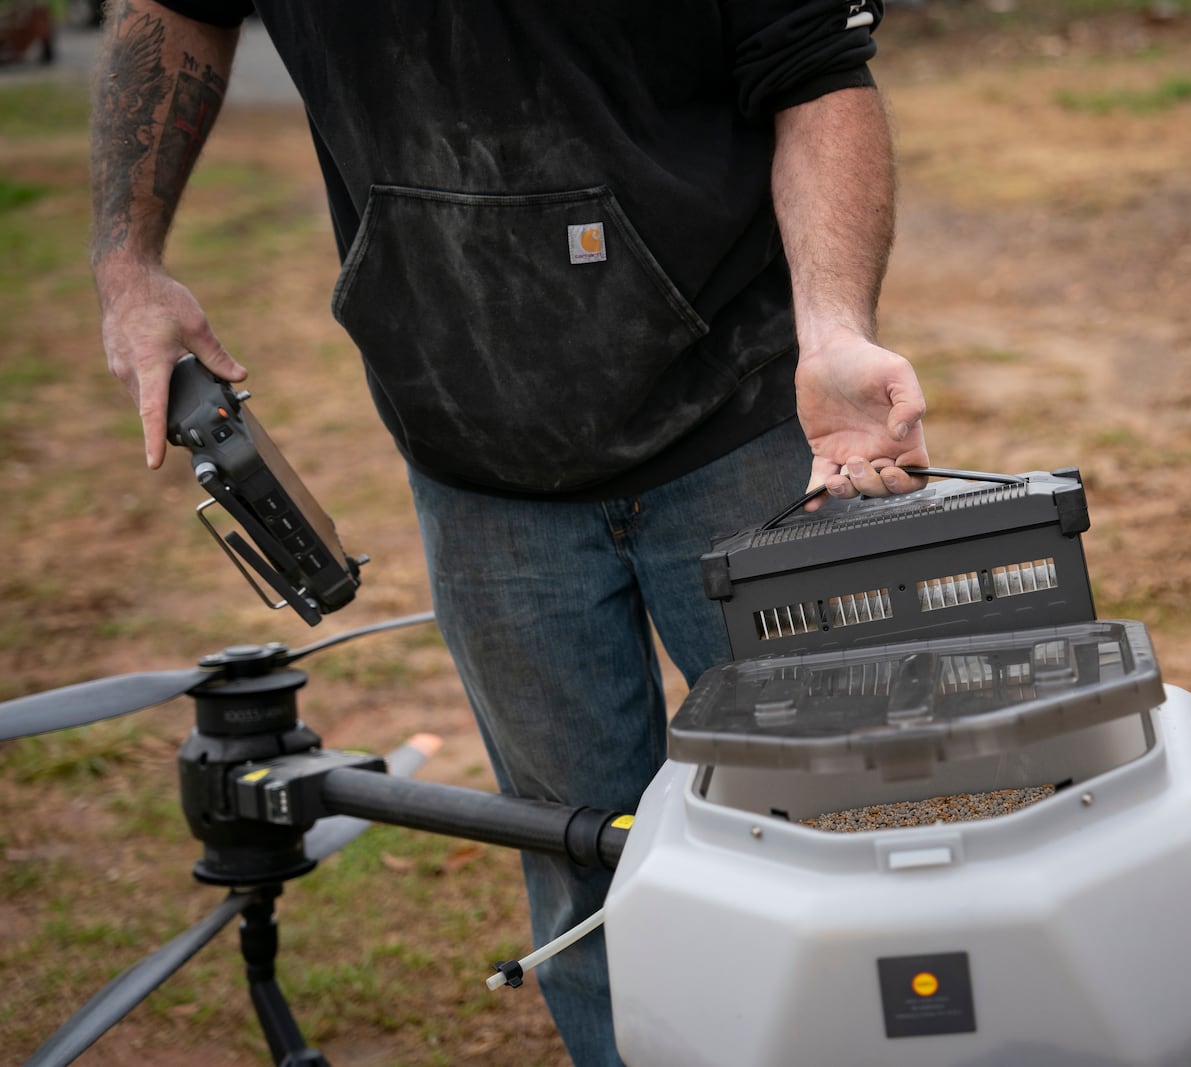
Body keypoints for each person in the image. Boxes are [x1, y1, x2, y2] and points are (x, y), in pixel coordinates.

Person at [89, 1, 929, 1064]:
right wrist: (128, 265)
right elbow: (172, 9)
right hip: (477, 459)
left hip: (746, 426)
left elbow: (814, 70)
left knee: (837, 817)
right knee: (582, 860)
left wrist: (834, 325)